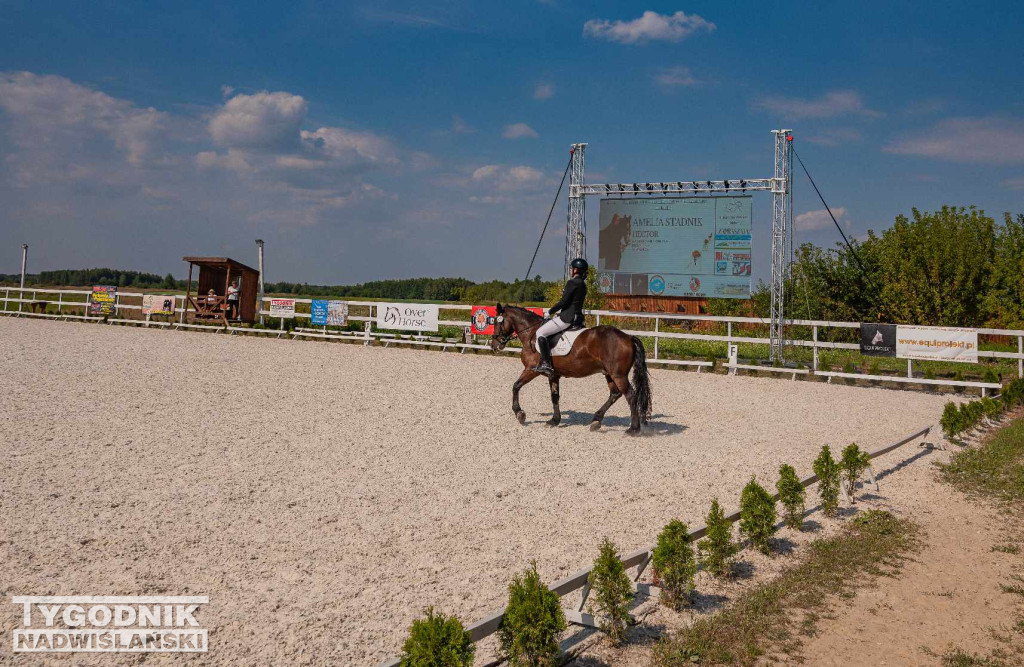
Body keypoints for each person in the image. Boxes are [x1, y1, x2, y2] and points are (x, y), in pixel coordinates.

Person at [533, 257, 588, 378]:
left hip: (567, 318)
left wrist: (550, 312)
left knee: (540, 333)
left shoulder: (572, 283)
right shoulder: (583, 285)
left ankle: (546, 363)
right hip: (579, 318)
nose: (571, 271)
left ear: (575, 270)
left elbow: (563, 302)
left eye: (572, 269)